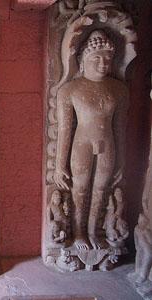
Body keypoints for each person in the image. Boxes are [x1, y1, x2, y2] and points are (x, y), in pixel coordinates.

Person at [54, 30, 128, 251]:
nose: (103, 62)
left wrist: (122, 161)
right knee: (80, 189)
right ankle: (78, 234)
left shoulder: (119, 90)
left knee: (101, 189)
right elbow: (65, 130)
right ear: (82, 60)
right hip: (81, 144)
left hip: (108, 145)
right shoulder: (70, 90)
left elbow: (119, 128)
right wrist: (59, 165)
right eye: (96, 57)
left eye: (107, 58)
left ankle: (93, 232)